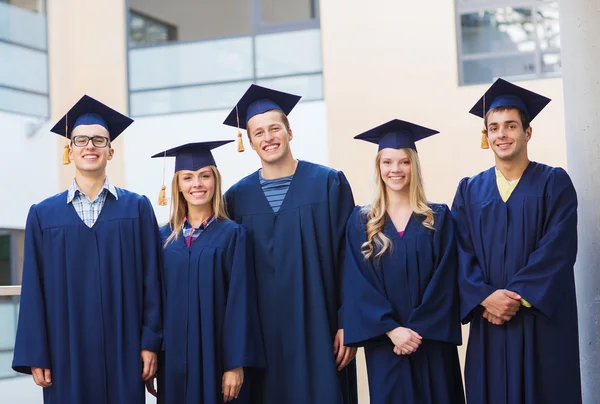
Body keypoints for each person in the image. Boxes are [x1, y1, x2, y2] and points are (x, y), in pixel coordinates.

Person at [12, 95, 163, 404]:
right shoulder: (43, 214)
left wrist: (151, 343)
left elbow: (153, 282)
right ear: (70, 150)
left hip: (125, 348)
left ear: (111, 150)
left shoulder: (137, 208)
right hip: (65, 349)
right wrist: (37, 353)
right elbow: (33, 290)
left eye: (99, 140)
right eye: (81, 140)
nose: (90, 146)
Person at [222, 84, 358, 404]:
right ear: (250, 141)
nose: (268, 137)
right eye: (259, 132)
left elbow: (350, 259)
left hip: (319, 329)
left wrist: (347, 323)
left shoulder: (328, 184)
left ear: (289, 132)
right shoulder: (236, 198)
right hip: (262, 338)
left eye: (274, 128)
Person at [452, 78, 581, 403]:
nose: (501, 134)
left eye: (510, 126)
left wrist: (515, 297)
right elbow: (458, 252)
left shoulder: (554, 183)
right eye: (493, 127)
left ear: (527, 132)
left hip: (541, 325)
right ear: (486, 135)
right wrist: (485, 296)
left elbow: (558, 250)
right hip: (490, 324)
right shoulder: (469, 191)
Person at [343, 119, 464, 403]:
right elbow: (357, 283)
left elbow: (446, 279)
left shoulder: (438, 217)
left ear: (414, 166)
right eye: (387, 162)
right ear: (378, 167)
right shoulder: (362, 222)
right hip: (386, 344)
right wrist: (392, 330)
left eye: (403, 162)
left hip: (431, 343)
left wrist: (417, 331)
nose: (395, 170)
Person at [147, 141, 264, 403]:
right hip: (173, 361)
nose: (197, 184)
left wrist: (235, 364)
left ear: (215, 180)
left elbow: (241, 302)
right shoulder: (162, 239)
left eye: (204, 176)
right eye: (187, 178)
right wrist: (152, 351)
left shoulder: (233, 235)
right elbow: (153, 301)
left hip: (218, 359)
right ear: (177, 185)